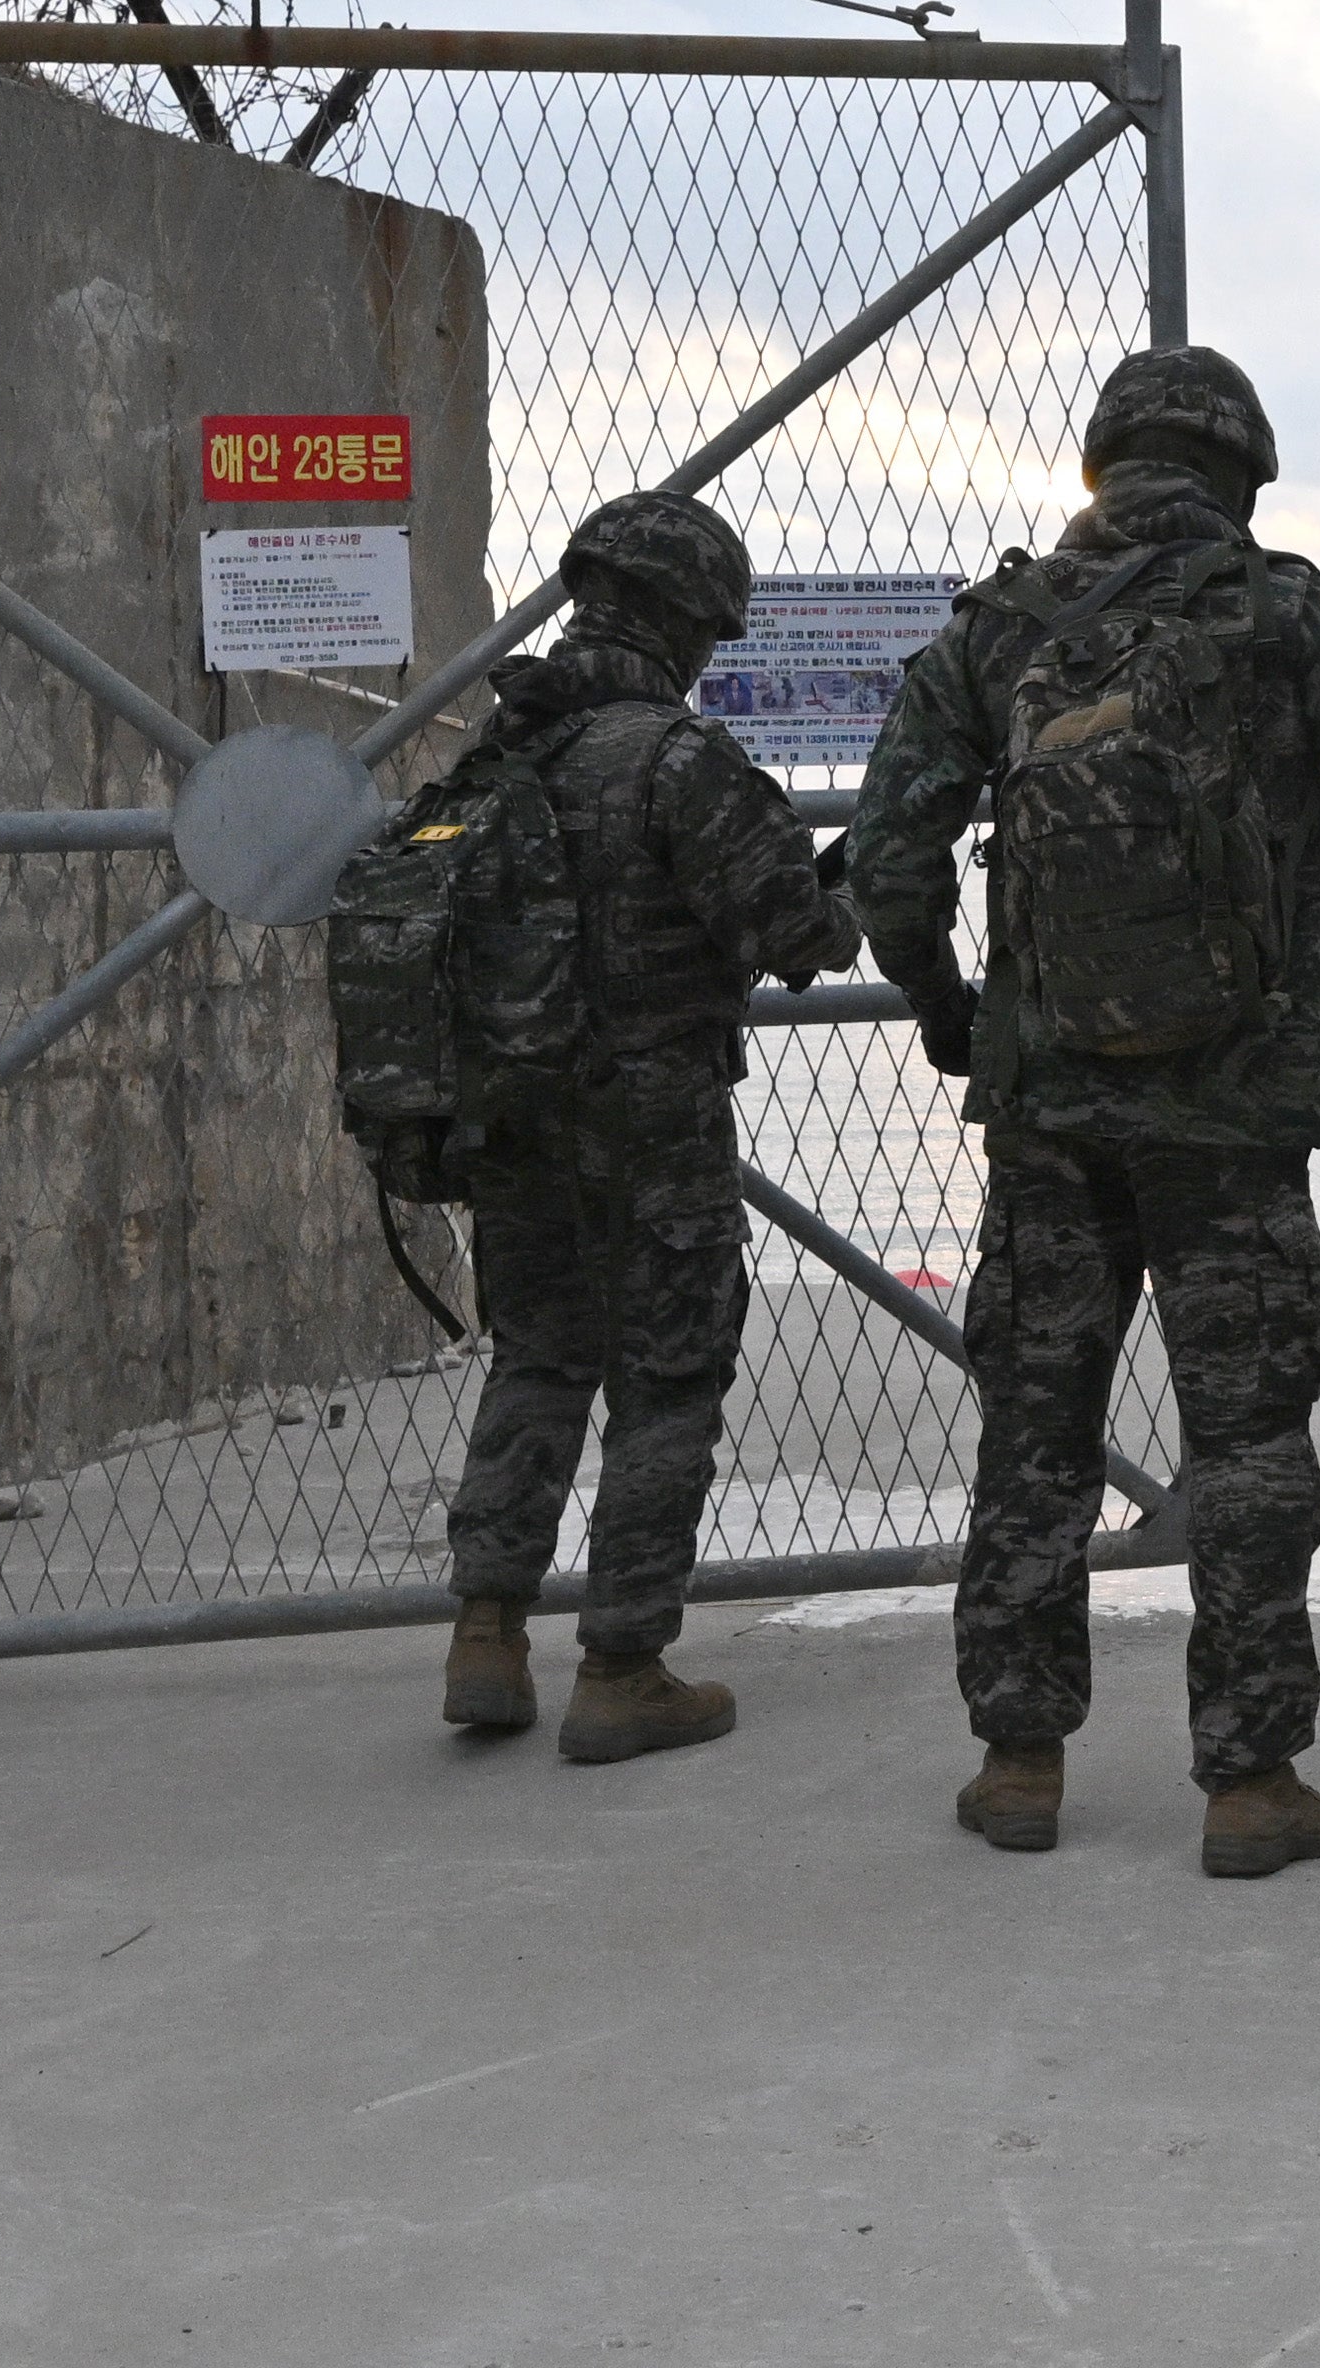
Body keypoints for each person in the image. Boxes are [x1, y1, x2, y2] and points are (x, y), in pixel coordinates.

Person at [847, 346, 1320, 1877]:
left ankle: (1017, 1764)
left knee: (1037, 1424)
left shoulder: (995, 634)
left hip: (1048, 1112)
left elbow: (887, 865)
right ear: (1239, 473)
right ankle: (1251, 1785)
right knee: (1249, 1433)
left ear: (1100, 468)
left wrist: (951, 1021)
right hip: (1231, 1108)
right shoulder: (1279, 610)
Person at [415, 490, 860, 1761]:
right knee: (667, 1380)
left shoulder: (500, 758)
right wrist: (849, 883)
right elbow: (800, 938)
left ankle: (487, 1635)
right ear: (687, 622)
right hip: (654, 1125)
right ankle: (623, 1664)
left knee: (542, 1357)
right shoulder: (678, 761)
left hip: (511, 1123)